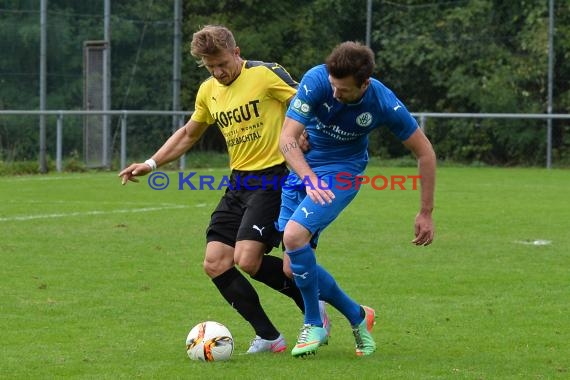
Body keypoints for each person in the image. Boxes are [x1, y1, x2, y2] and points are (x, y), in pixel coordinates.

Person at [118, 25, 330, 354]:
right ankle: (270, 337)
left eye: (221, 63)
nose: (217, 72)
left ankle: (312, 304)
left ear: (236, 52)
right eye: (209, 66)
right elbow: (190, 133)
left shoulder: (265, 74)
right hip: (238, 182)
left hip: (272, 177)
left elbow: (308, 101)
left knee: (247, 259)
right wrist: (152, 163)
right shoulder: (208, 91)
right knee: (215, 262)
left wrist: (302, 133)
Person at [278, 41, 436, 357]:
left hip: (343, 172)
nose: (335, 94)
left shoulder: (383, 103)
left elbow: (425, 153)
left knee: (294, 236)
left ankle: (314, 323)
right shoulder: (317, 79)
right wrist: (308, 177)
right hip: (304, 170)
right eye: (333, 86)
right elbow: (287, 138)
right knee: (290, 268)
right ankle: (358, 315)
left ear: (364, 84)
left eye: (344, 90)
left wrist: (425, 212)